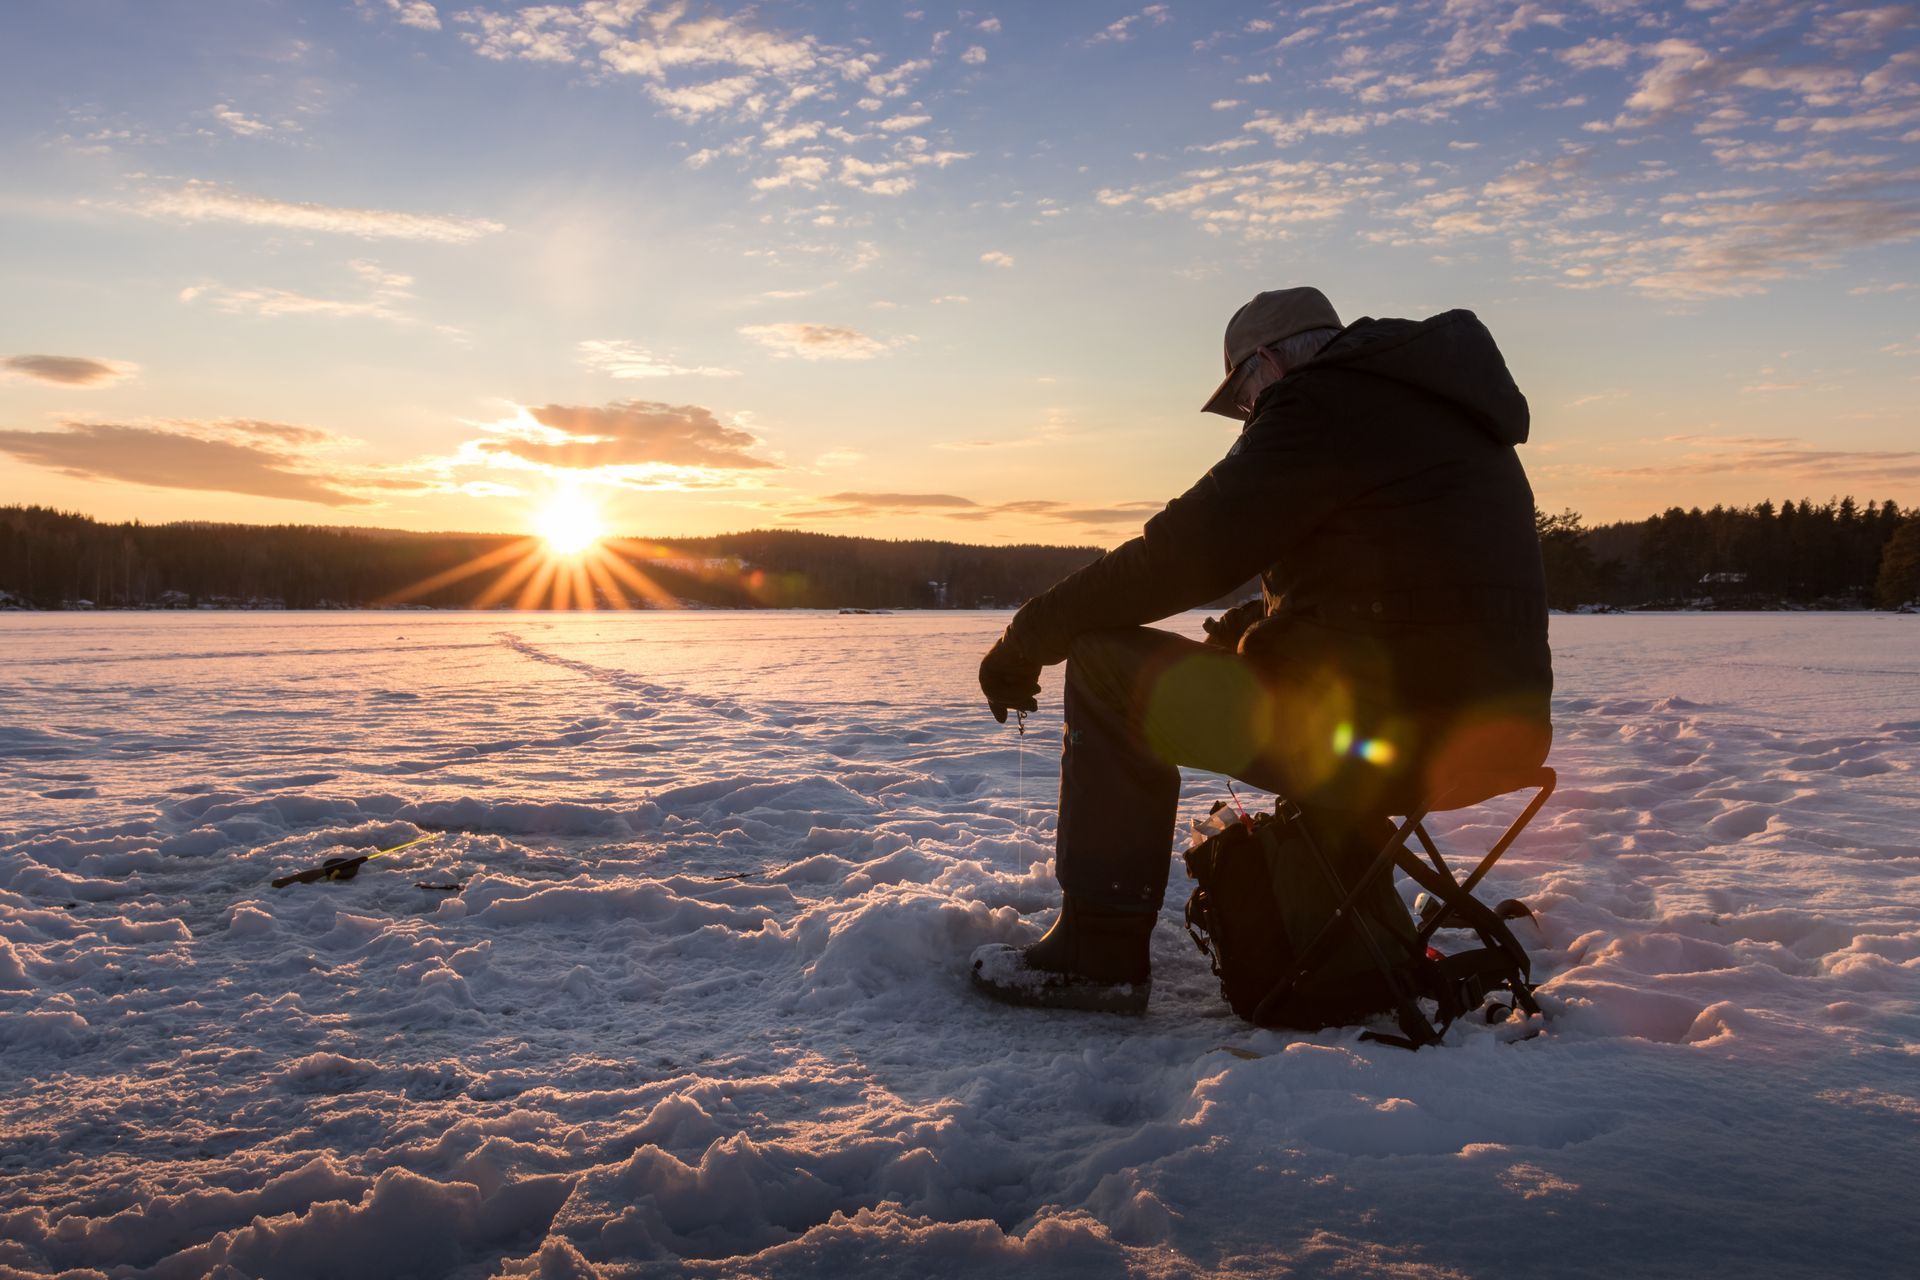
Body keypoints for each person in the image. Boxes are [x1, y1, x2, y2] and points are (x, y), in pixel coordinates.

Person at [969, 286, 1553, 1014]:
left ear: (1268, 362)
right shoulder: (1436, 410)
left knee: (1103, 662)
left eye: (1244, 396)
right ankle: (1333, 924)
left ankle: (1100, 953)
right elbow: (1408, 587)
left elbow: (1178, 555)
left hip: (1390, 736)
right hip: (1497, 733)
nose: (1247, 416)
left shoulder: (1321, 406)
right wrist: (1257, 623)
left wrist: (1028, 636)